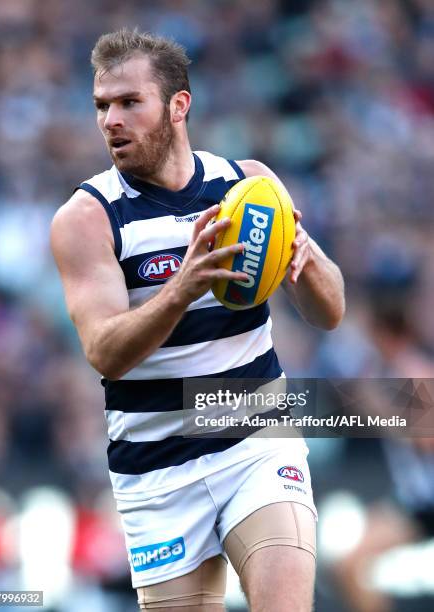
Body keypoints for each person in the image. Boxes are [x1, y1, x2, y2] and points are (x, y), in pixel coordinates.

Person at [51, 28, 345, 612]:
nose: (112, 119)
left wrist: (305, 261)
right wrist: (182, 289)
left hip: (255, 442)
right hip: (156, 472)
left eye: (130, 102)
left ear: (178, 105)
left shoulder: (249, 186)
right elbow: (105, 352)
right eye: (102, 106)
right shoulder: (87, 218)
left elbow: (330, 312)